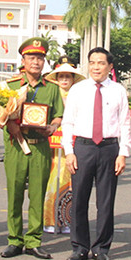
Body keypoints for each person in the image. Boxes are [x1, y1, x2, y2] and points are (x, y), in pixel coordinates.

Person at [62, 47, 131, 260]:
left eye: (101, 63)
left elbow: (125, 123)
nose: (95, 67)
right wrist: (69, 152)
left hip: (109, 149)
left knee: (106, 201)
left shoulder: (118, 90)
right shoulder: (78, 90)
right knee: (79, 200)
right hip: (83, 148)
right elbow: (67, 122)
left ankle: (101, 248)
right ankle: (80, 247)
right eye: (92, 62)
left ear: (110, 66)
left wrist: (123, 153)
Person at [0, 37, 64, 260]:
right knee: (15, 193)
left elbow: (58, 114)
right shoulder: (10, 86)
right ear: (23, 60)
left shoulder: (52, 88)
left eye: (40, 58)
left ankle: (34, 241)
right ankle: (14, 240)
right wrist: (8, 123)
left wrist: (53, 127)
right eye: (31, 57)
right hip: (16, 146)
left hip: (40, 147)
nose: (36, 62)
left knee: (37, 195)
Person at [43, 58, 85, 234]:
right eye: (61, 76)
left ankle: (66, 220)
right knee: (51, 181)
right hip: (51, 145)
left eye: (68, 76)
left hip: (71, 144)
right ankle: (49, 220)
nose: (65, 80)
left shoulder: (79, 95)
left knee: (69, 181)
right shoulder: (51, 93)